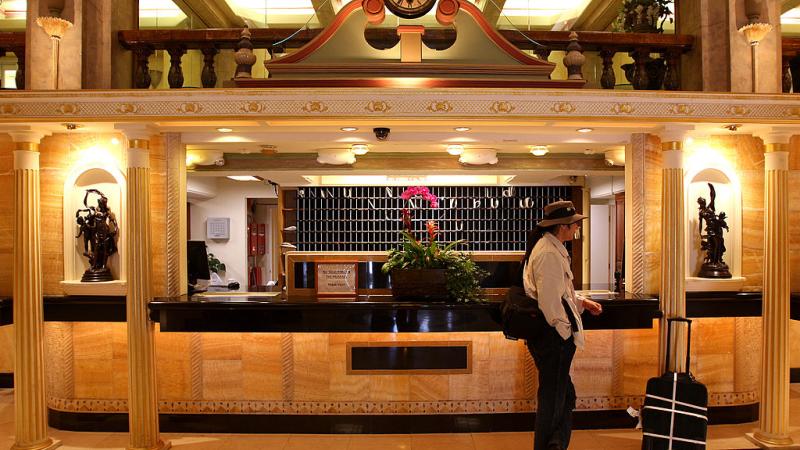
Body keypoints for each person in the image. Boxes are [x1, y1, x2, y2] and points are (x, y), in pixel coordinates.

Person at [521, 200, 603, 450]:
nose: (577, 226)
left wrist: (581, 302)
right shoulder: (548, 253)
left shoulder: (552, 248)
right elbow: (549, 303)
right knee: (553, 399)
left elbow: (560, 293)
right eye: (574, 223)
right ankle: (549, 445)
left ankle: (555, 444)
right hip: (553, 338)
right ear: (562, 227)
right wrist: (564, 332)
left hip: (553, 336)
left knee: (563, 395)